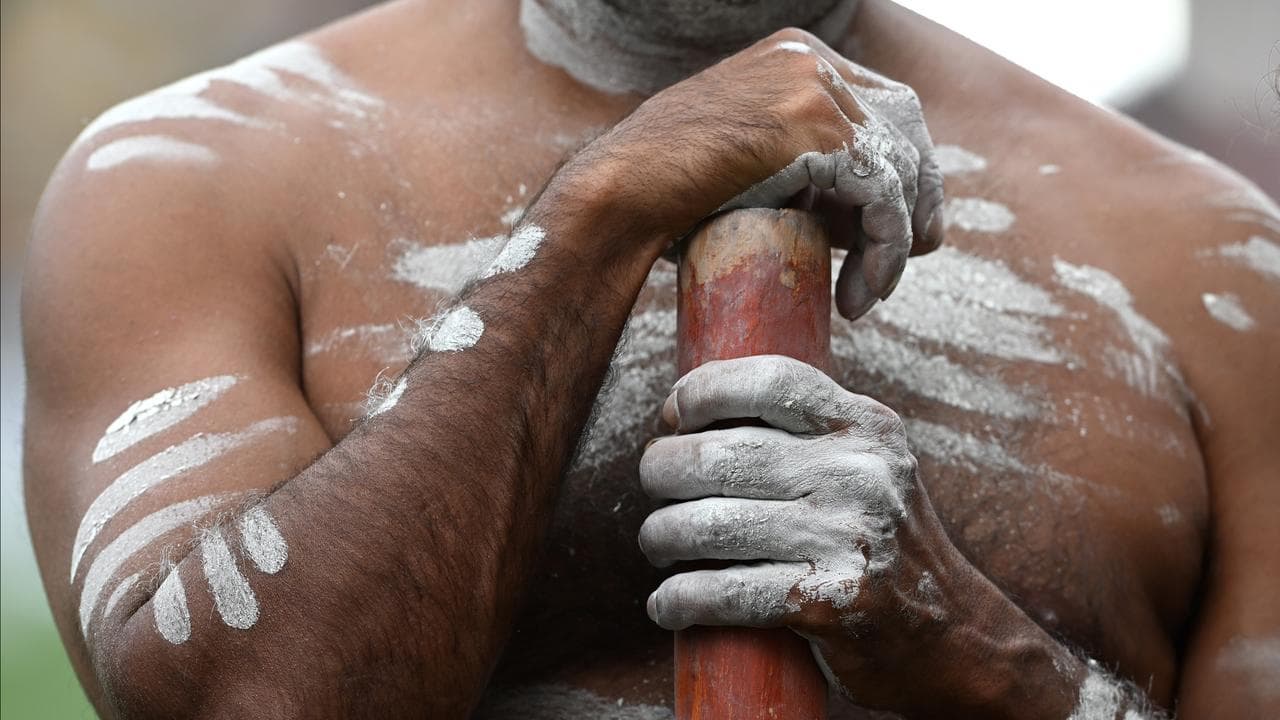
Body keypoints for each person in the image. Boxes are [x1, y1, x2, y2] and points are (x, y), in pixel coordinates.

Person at [22, 0, 1278, 717]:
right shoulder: (196, 184)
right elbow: (246, 709)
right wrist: (596, 222)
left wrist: (968, 652)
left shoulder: (1207, 267)